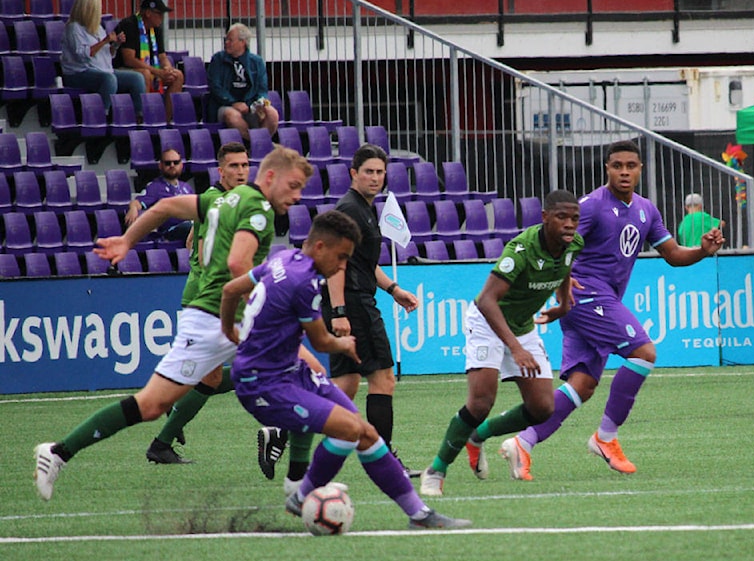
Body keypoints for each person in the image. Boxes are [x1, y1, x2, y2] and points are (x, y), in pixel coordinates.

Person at [33, 146, 311, 501]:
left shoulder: (225, 199)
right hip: (218, 318)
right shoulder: (258, 209)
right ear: (271, 177)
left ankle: (297, 482)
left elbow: (163, 208)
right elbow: (238, 266)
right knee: (152, 404)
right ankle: (298, 482)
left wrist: (127, 241)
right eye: (294, 185)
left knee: (302, 373)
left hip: (212, 315)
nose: (298, 195)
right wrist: (267, 311)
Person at [487, 140, 724, 484]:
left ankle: (522, 442)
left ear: (640, 169)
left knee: (582, 386)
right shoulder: (592, 206)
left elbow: (672, 254)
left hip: (603, 299)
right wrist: (560, 286)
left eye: (630, 166)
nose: (624, 172)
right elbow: (556, 241)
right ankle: (605, 437)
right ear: (607, 169)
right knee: (644, 352)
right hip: (585, 296)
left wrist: (702, 251)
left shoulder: (646, 210)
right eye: (617, 166)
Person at [220, 211, 471, 530]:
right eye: (341, 258)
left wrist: (232, 332)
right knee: (348, 430)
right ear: (321, 246)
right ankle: (301, 497)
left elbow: (230, 292)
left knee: (365, 432)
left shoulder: (284, 259)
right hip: (263, 384)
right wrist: (345, 345)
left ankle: (418, 514)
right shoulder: (303, 283)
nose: (342, 266)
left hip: (290, 371)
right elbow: (322, 342)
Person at [419, 190, 583, 496]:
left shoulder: (573, 244)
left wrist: (562, 303)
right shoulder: (519, 250)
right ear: (545, 217)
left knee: (543, 407)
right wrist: (517, 349)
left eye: (574, 218)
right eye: (562, 217)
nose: (569, 224)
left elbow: (564, 267)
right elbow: (486, 300)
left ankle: (478, 436)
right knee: (481, 402)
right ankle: (436, 470)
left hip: (521, 326)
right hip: (487, 323)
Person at [308, 143, 420, 476]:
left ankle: (285, 432)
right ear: (353, 173)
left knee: (345, 386)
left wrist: (393, 289)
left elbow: (363, 262)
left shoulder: (366, 208)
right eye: (368, 171)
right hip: (354, 303)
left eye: (380, 172)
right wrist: (340, 310)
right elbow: (337, 265)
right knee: (383, 379)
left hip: (356, 299)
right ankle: (384, 462)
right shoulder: (351, 210)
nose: (374, 177)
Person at [143, 141, 250, 464]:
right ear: (221, 169)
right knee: (237, 370)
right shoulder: (219, 201)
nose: (242, 171)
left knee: (212, 375)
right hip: (210, 295)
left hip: (206, 292)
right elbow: (202, 248)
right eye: (235, 166)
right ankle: (163, 436)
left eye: (245, 165)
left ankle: (171, 414)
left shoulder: (217, 199)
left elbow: (192, 239)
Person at [60, 0, 145, 115]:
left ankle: (139, 115)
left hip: (102, 68)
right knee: (109, 80)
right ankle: (102, 115)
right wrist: (105, 41)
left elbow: (108, 53)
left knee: (137, 78)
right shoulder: (74, 28)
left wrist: (116, 44)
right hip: (79, 72)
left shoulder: (98, 28)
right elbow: (83, 55)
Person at [113, 0, 184, 121]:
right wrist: (156, 71)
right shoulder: (129, 25)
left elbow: (162, 56)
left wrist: (167, 68)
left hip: (151, 68)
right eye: (159, 14)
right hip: (125, 69)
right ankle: (145, 120)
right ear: (148, 13)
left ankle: (165, 121)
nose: (162, 18)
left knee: (177, 75)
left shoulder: (156, 29)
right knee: (144, 74)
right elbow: (129, 59)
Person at [206, 23, 279, 140]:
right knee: (232, 116)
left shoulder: (257, 62)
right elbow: (216, 87)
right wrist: (233, 103)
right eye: (226, 40)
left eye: (230, 40)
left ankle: (260, 144)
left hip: (250, 104)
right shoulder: (218, 60)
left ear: (243, 42)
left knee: (272, 114)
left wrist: (260, 103)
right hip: (225, 105)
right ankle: (255, 144)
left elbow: (262, 89)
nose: (226, 43)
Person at [124, 148, 194, 243]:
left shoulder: (186, 187)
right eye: (168, 163)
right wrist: (133, 208)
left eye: (176, 162)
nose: (172, 165)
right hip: (171, 231)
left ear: (181, 165)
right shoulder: (155, 187)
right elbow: (137, 202)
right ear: (161, 165)